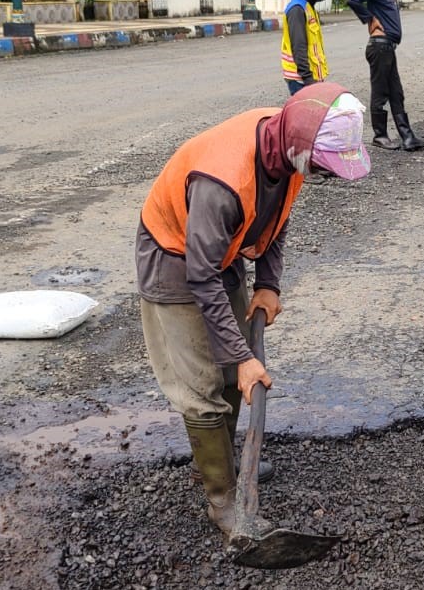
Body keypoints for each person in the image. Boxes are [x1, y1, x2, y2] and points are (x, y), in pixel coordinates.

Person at [136, 84, 371, 536]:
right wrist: (244, 359)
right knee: (205, 384)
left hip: (218, 252)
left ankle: (218, 465)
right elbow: (200, 277)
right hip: (175, 259)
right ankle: (224, 504)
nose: (322, 176)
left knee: (231, 373)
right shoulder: (220, 182)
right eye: (322, 168)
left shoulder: (288, 144)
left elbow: (276, 217)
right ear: (302, 150)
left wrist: (267, 284)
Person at [345, 0, 424, 151]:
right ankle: (380, 135)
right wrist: (369, 19)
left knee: (396, 93)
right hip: (379, 47)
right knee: (380, 92)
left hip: (388, 48)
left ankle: (407, 137)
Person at [280, 0, 330, 95]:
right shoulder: (297, 9)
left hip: (311, 78)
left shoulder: (308, 7)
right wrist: (308, 79)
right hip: (301, 80)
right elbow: (299, 47)